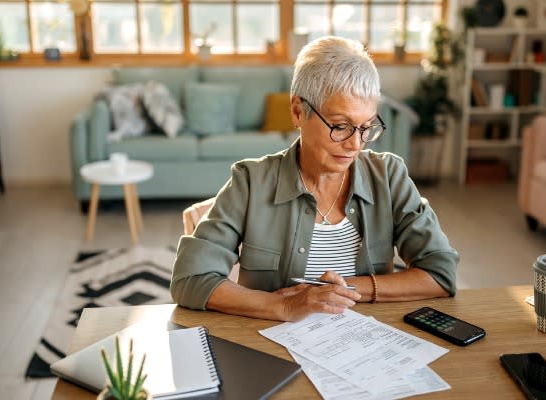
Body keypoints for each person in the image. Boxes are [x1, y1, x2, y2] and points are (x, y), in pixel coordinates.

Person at [171, 36, 458, 322]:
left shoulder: (390, 177)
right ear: (298, 111)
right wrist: (282, 306)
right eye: (341, 126)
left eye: (366, 127)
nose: (356, 144)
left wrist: (346, 290)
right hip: (272, 350)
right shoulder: (250, 182)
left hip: (369, 348)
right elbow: (189, 280)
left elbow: (440, 273)